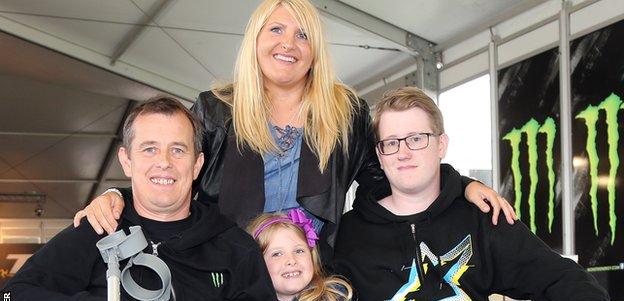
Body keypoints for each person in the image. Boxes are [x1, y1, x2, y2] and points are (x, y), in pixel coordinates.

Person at [73, 0, 515, 263]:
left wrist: (461, 185)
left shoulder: (344, 112)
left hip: (313, 277)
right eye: (277, 29)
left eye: (303, 35)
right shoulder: (215, 110)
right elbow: (172, 172)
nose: (289, 43)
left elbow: (390, 178)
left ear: (315, 52)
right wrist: (118, 197)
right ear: (256, 40)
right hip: (224, 271)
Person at [333, 87, 612, 301]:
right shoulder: (350, 233)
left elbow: (556, 273)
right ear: (379, 155)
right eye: (391, 143)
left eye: (417, 139)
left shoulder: (480, 219)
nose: (403, 152)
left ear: (441, 145)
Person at [2, 96, 280, 301]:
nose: (164, 162)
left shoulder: (236, 249)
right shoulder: (97, 229)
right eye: (149, 149)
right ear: (126, 160)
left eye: (178, 150)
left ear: (197, 165)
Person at [247, 209, 377, 301]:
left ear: (312, 256)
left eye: (299, 251)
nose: (291, 260)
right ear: (257, 264)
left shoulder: (332, 295)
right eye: (277, 254)